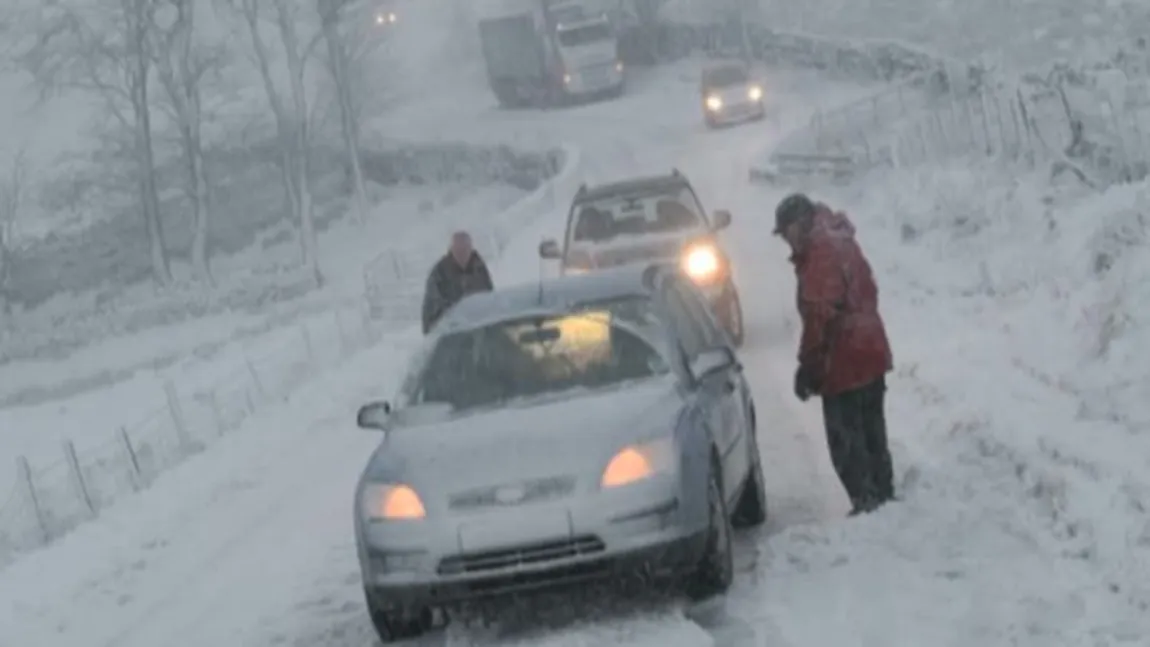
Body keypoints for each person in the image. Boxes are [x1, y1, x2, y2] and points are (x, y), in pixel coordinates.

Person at [773, 193, 895, 515]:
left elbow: (819, 314)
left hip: (845, 360)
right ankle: (884, 499)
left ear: (799, 224)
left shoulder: (820, 251)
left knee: (845, 440)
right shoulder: (841, 239)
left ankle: (867, 504)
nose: (787, 242)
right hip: (871, 347)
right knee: (872, 431)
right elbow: (869, 289)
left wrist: (809, 365)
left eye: (786, 233)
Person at [421, 231, 494, 334]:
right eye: (458, 251)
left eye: (465, 250)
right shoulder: (439, 273)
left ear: (470, 249)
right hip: (451, 335)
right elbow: (433, 310)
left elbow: (489, 297)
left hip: (479, 330)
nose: (462, 255)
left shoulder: (479, 269)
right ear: (452, 250)